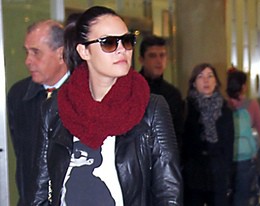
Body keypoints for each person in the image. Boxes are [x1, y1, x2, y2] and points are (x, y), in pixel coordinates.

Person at [32, 6, 182, 205]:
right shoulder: (56, 109)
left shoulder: (151, 108)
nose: (122, 49)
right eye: (109, 43)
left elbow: (169, 192)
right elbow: (41, 190)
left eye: (127, 41)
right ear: (84, 51)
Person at [7, 19, 69, 205]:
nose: (28, 61)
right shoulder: (19, 95)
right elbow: (23, 156)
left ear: (60, 53)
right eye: (26, 52)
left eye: (36, 53)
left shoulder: (84, 94)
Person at [182, 63, 234, 206]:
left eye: (210, 76)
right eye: (201, 76)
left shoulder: (225, 110)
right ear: (193, 82)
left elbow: (229, 146)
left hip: (218, 174)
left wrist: (229, 175)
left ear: (216, 81)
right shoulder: (186, 107)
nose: (206, 80)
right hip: (194, 175)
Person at [226, 69, 260, 206]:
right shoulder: (251, 104)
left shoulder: (222, 105)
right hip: (246, 158)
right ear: (243, 86)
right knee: (244, 194)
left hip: (226, 158)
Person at [139, 35, 185, 150]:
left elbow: (177, 133)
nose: (159, 61)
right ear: (141, 60)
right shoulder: (131, 88)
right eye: (152, 56)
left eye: (162, 55)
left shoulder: (173, 94)